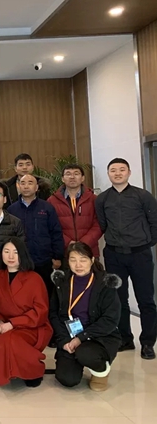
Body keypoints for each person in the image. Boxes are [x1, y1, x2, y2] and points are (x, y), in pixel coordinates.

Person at [95, 158, 157, 359]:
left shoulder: (143, 196)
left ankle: (147, 343)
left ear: (129, 172)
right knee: (118, 299)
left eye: (122, 169)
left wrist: (145, 243)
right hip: (114, 255)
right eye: (113, 170)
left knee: (145, 299)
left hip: (140, 255)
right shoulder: (102, 199)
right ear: (108, 174)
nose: (118, 173)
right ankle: (125, 339)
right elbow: (102, 224)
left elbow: (154, 222)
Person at [50, 242, 121, 391]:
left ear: (92, 260)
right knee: (67, 379)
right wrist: (64, 340)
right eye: (73, 260)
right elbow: (54, 314)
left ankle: (101, 371)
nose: (78, 265)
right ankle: (75, 360)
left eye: (83, 260)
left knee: (85, 353)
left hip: (98, 336)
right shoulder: (62, 282)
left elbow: (110, 319)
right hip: (69, 334)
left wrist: (81, 338)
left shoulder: (105, 283)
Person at [0, 238, 53, 387]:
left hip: (32, 326)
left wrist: (12, 324)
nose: (10, 256)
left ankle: (33, 372)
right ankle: (8, 373)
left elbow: (40, 311)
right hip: (4, 325)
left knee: (12, 341)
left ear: (22, 254)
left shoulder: (34, 278)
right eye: (6, 251)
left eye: (15, 252)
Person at [8, 174, 64, 297]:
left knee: (44, 293)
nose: (26, 186)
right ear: (18, 186)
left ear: (36, 187)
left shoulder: (47, 208)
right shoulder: (11, 210)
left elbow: (56, 232)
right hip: (20, 261)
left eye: (30, 183)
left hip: (43, 260)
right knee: (22, 294)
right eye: (23, 183)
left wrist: (57, 256)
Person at [47, 164, 102, 256]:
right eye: (68, 174)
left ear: (82, 178)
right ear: (62, 179)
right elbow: (50, 226)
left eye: (76, 174)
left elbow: (99, 224)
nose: (72, 177)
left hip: (89, 250)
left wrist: (84, 243)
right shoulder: (52, 201)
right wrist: (68, 242)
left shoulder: (94, 199)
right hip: (64, 251)